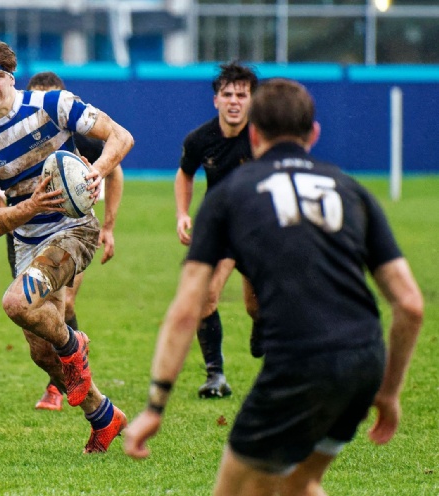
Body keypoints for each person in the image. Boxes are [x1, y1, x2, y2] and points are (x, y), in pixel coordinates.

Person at [124, 78, 423, 495]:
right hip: (363, 364)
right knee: (299, 484)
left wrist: (155, 406)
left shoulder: (229, 196)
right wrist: (388, 393)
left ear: (254, 135)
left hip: (298, 365)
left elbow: (187, 309)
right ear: (313, 134)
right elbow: (410, 304)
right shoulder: (352, 191)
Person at [0, 39, 134, 453]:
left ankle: (74, 344)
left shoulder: (52, 105)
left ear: (11, 78)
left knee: (16, 304)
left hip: (75, 231)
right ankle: (104, 417)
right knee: (41, 352)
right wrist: (32, 205)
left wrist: (96, 172)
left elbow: (121, 136)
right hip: (27, 243)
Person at [7, 71, 124, 412]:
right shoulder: (10, 140)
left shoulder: (75, 137)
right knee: (33, 321)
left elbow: (115, 170)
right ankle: (67, 376)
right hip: (25, 236)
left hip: (70, 231)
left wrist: (109, 226)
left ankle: (62, 382)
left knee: (66, 304)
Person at [175, 61, 259, 399]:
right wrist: (183, 213)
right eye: (227, 94)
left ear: (252, 100)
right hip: (219, 229)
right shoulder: (200, 139)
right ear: (216, 100)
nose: (234, 101)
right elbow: (185, 173)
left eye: (241, 94)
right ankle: (215, 376)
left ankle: (261, 324)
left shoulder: (264, 138)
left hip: (258, 233)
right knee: (205, 296)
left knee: (256, 307)